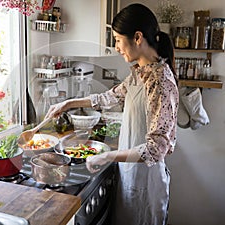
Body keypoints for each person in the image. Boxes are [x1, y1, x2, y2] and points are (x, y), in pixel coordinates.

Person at [45, 3, 178, 225]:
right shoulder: (141, 73)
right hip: (131, 175)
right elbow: (109, 97)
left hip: (146, 181)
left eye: (117, 39)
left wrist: (107, 155)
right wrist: (67, 103)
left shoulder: (160, 81)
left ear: (137, 37)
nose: (116, 46)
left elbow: (156, 149)